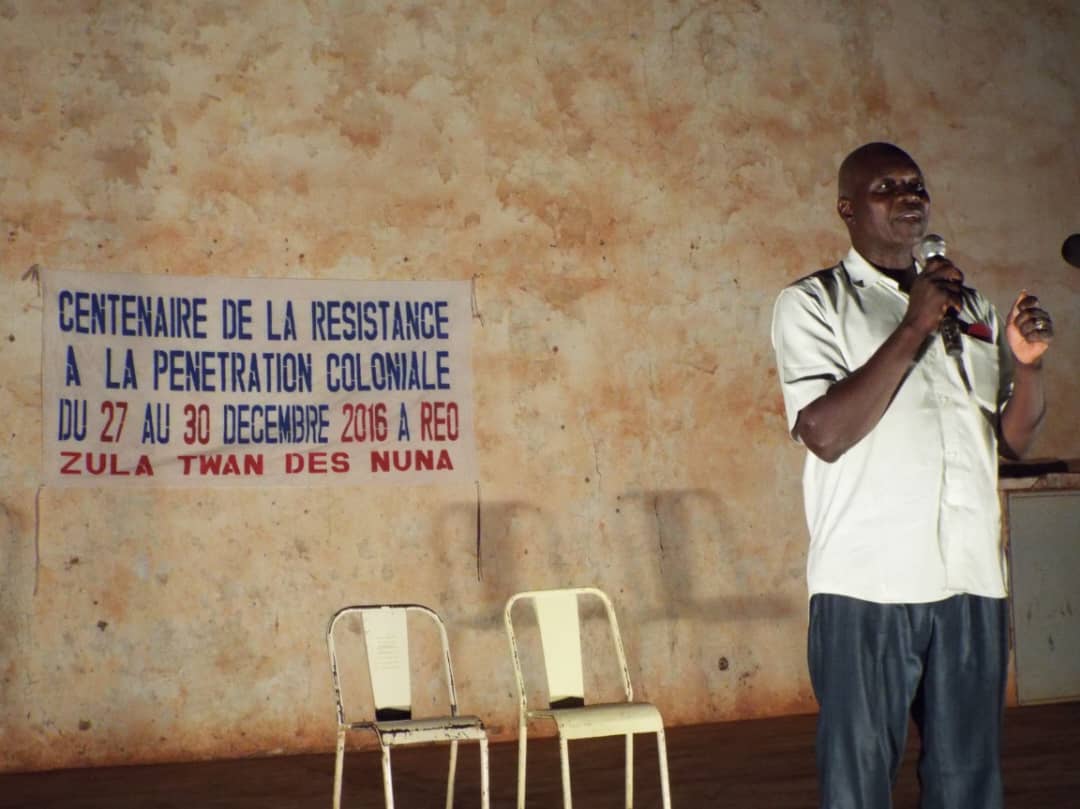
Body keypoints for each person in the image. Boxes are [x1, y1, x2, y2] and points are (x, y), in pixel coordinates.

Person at [770, 142, 1054, 809]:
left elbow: (1010, 441)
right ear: (847, 209)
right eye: (887, 187)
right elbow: (824, 434)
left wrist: (1029, 366)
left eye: (916, 185)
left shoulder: (972, 306)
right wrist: (914, 324)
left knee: (968, 784)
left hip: (971, 579)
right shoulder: (813, 302)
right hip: (869, 583)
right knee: (859, 784)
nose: (909, 197)